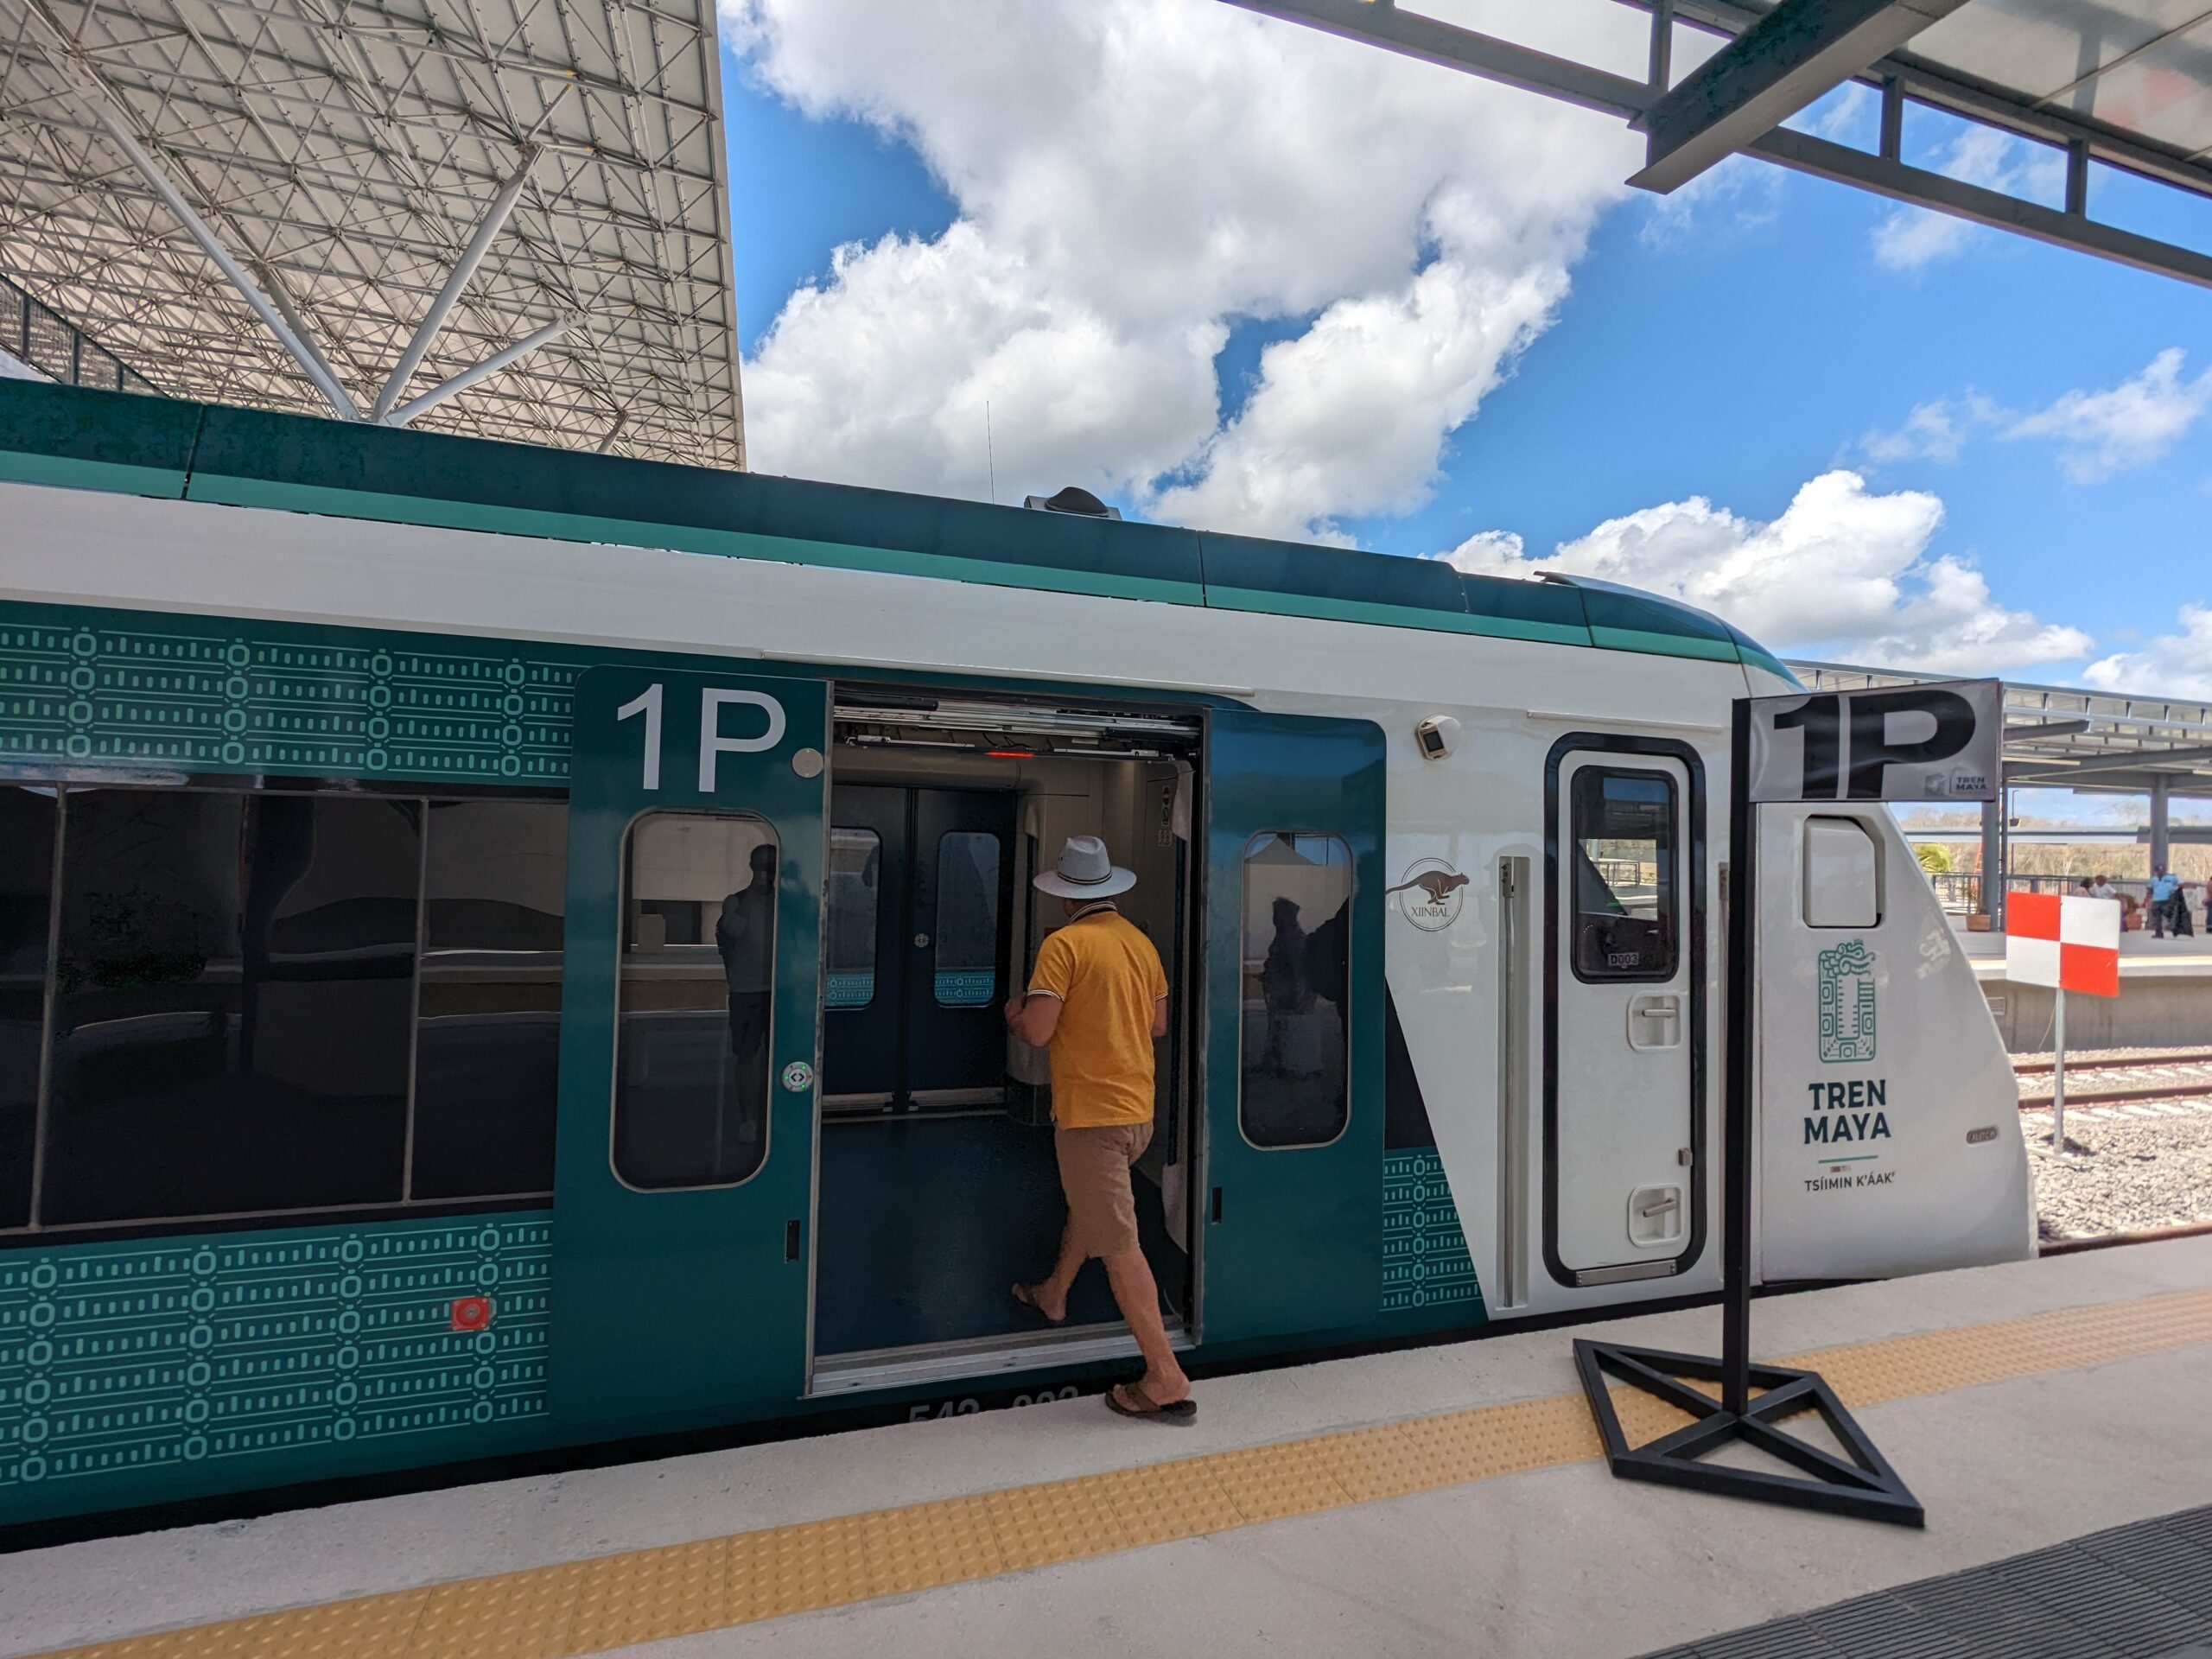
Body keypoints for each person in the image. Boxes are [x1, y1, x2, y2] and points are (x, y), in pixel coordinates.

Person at [1005, 835, 1192, 1424]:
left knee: (1119, 1247)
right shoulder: (1140, 944)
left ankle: (1164, 1376)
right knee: (1092, 1209)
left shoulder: (1063, 947)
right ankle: (1054, 1293)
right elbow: (1158, 1024)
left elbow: (1037, 1031)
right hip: (1137, 1112)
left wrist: (1014, 1014)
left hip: (1090, 1117)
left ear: (1064, 897)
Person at [2148, 864, 2183, 938]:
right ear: (2155, 871)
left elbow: (2180, 885)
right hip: (2156, 900)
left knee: (2170, 916)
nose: (2161, 872)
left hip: (2168, 900)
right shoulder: (2153, 879)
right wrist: (2147, 900)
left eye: (2162, 870)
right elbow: (2150, 890)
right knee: (2157, 918)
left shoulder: (2172, 878)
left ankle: (2176, 929)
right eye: (2158, 870)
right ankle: (2158, 933)